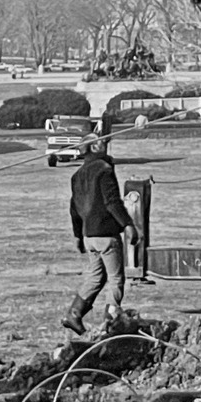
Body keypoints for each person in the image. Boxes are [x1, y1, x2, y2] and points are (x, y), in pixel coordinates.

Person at [62, 133, 137, 337]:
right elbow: (111, 201)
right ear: (94, 148)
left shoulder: (76, 175)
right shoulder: (103, 171)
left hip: (89, 236)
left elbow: (73, 208)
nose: (105, 143)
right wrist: (128, 225)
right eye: (102, 141)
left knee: (96, 276)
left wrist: (78, 235)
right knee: (115, 278)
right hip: (106, 234)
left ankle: (74, 313)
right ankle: (111, 320)